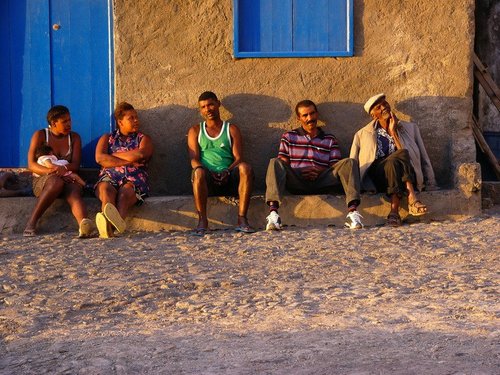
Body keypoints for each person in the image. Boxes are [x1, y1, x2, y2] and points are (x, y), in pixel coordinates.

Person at [265, 100, 364, 230]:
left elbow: (335, 166)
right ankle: (273, 215)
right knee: (275, 162)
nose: (310, 118)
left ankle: (352, 214)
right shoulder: (289, 137)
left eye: (312, 114)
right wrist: (301, 171)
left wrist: (319, 170)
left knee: (349, 163)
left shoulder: (329, 139)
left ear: (317, 114)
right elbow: (283, 164)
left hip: (322, 181)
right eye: (305, 115)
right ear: (299, 118)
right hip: (297, 181)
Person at [350, 93, 438, 226]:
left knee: (396, 158)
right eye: (378, 107)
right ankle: (412, 198)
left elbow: (423, 156)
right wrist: (354, 191)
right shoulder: (362, 134)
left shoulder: (410, 128)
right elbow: (353, 162)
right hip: (379, 177)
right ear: (374, 115)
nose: (383, 107)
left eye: (385, 104)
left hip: (402, 174)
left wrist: (394, 132)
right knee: (391, 161)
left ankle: (394, 212)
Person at [187, 91, 255, 235]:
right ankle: (202, 222)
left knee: (245, 168)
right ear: (200, 110)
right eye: (203, 107)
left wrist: (227, 171)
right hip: (208, 179)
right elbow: (194, 159)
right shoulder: (195, 131)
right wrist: (205, 170)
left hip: (229, 177)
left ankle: (242, 219)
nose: (208, 109)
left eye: (211, 104)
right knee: (198, 172)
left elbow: (238, 158)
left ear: (218, 104)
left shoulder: (231, 129)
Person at [24, 105, 93, 237]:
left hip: (67, 177)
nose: (69, 124)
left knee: (74, 190)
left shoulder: (74, 138)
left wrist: (64, 169)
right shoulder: (40, 135)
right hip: (45, 180)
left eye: (69, 120)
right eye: (64, 121)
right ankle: (32, 222)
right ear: (53, 123)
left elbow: (76, 164)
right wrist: (54, 172)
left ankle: (84, 225)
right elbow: (31, 165)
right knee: (55, 182)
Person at [94, 102, 153, 238]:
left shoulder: (143, 139)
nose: (136, 120)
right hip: (109, 177)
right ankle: (111, 227)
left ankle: (111, 228)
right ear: (120, 122)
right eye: (131, 118)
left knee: (124, 194)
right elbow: (99, 158)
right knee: (106, 190)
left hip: (134, 180)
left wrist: (112, 156)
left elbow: (140, 154)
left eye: (136, 117)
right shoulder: (107, 138)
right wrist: (129, 160)